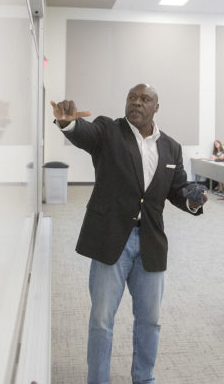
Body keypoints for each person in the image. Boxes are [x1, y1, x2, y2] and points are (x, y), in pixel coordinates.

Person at [50, 84, 206, 384]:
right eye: (132, 98)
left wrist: (192, 198)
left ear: (156, 107)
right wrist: (67, 122)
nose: (136, 103)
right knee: (101, 320)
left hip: (151, 243)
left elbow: (178, 189)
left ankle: (144, 378)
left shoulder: (171, 147)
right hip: (111, 239)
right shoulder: (109, 131)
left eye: (144, 99)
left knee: (150, 321)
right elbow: (84, 133)